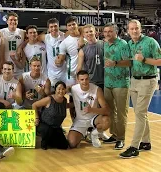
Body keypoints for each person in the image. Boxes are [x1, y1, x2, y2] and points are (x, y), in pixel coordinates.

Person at [120, 19, 161, 158]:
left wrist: (144, 59)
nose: (134, 31)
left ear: (140, 29)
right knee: (139, 112)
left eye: (136, 28)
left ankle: (134, 147)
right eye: (131, 29)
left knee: (140, 113)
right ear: (128, 30)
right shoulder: (130, 44)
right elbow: (130, 62)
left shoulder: (150, 42)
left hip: (148, 80)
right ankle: (146, 142)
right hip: (134, 80)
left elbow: (160, 60)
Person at [102, 22, 131, 150]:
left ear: (116, 32)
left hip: (121, 83)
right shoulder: (105, 45)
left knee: (121, 113)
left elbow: (129, 62)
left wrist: (115, 63)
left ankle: (121, 138)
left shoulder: (123, 45)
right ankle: (114, 134)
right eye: (105, 31)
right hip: (108, 82)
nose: (107, 34)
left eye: (110, 31)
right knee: (111, 111)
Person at [67, 70, 110, 148]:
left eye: (86, 79)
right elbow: (61, 91)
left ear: (89, 78)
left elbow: (106, 110)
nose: (85, 82)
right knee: (71, 143)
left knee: (106, 121)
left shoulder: (97, 89)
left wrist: (92, 110)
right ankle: (84, 134)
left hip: (94, 119)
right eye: (82, 80)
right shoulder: (73, 89)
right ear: (77, 80)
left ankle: (94, 134)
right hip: (80, 120)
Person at [32, 81, 71, 150]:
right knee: (48, 130)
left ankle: (50, 140)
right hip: (44, 124)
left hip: (56, 127)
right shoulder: (49, 99)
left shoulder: (64, 100)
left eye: (63, 89)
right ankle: (44, 141)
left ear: (65, 90)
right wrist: (37, 118)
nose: (61, 91)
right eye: (59, 89)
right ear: (55, 90)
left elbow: (68, 106)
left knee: (64, 145)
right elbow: (34, 105)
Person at [37, 18, 66, 88]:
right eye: (51, 27)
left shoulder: (64, 36)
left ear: (59, 27)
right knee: (51, 92)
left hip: (64, 71)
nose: (54, 28)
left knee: (65, 92)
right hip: (52, 72)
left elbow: (78, 31)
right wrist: (20, 47)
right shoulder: (45, 37)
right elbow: (32, 38)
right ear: (48, 29)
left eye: (55, 26)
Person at [77, 24, 104, 90]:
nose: (89, 33)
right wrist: (78, 82)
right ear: (83, 35)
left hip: (105, 80)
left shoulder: (104, 44)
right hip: (91, 81)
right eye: (86, 32)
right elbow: (79, 68)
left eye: (91, 31)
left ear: (95, 32)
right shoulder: (82, 50)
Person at [0, 12, 26, 78]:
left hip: (18, 67)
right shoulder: (1, 32)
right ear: (7, 21)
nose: (13, 22)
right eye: (11, 20)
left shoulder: (22, 32)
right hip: (5, 67)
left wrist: (20, 46)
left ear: (18, 22)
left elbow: (33, 37)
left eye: (15, 20)